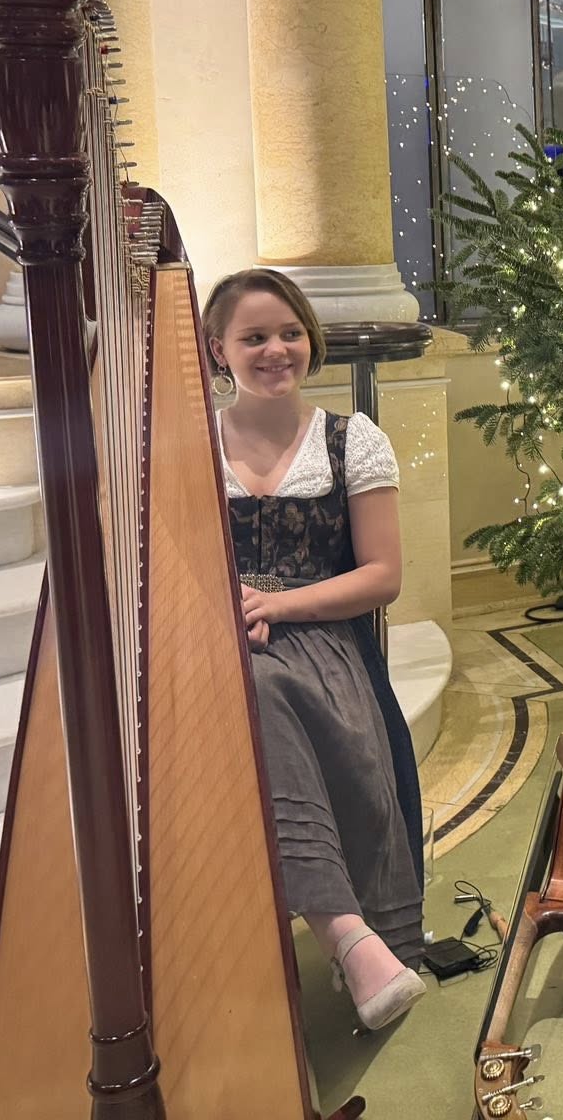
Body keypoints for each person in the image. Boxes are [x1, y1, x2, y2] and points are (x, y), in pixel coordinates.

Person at [203, 268, 427, 1032]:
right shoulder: (191, 445)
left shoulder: (350, 439)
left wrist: (278, 603)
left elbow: (383, 576)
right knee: (252, 685)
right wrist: (225, 608)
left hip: (328, 643)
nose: (276, 349)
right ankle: (348, 935)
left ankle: (345, 932)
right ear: (218, 350)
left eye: (290, 332)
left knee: (263, 690)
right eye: (254, 337)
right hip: (224, 644)